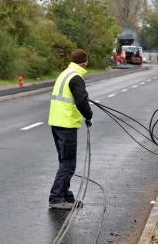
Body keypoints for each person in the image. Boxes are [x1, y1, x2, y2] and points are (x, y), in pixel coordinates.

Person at [48, 49, 93, 210]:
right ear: (85, 62)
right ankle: (56, 197)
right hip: (66, 124)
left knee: (64, 161)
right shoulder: (76, 77)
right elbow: (81, 101)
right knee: (68, 163)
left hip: (56, 122)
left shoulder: (65, 74)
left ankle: (66, 196)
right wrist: (89, 115)